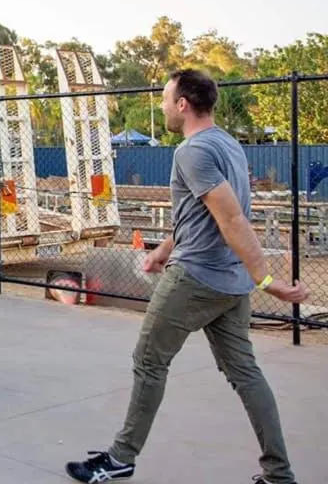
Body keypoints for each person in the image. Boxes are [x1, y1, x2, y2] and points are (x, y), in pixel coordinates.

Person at [64, 69, 309, 483]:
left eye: (165, 99)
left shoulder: (191, 152)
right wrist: (162, 249)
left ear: (183, 104)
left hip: (197, 278)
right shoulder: (229, 145)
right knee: (246, 373)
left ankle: (121, 457)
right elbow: (202, 214)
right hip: (230, 283)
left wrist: (267, 280)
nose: (162, 106)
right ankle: (279, 475)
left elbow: (231, 216)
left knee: (148, 362)